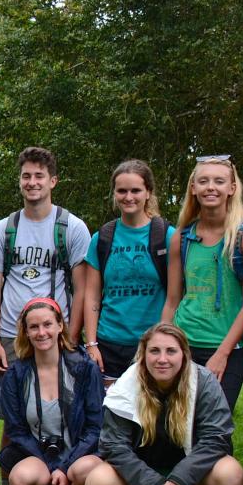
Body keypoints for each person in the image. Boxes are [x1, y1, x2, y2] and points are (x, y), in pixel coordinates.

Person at [85, 323, 243, 485]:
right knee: (97, 482)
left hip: (193, 478)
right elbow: (113, 445)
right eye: (154, 351)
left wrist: (180, 478)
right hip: (141, 479)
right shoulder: (126, 385)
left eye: (171, 351)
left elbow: (216, 437)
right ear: (143, 354)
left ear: (184, 354)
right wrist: (151, 481)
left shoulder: (205, 382)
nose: (162, 359)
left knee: (231, 475)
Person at [165, 155, 243, 410]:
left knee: (214, 424)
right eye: (204, 181)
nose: (211, 187)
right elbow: (173, 299)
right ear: (193, 188)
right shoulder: (182, 237)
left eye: (219, 181)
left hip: (227, 346)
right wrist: (161, 342)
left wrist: (222, 354)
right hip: (183, 343)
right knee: (176, 421)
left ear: (231, 188)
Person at [0, 147, 91, 373]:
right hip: (12, 335)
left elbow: (82, 290)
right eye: (26, 176)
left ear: (53, 181)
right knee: (10, 405)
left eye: (39, 176)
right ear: (19, 181)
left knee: (58, 403)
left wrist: (73, 337)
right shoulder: (2, 230)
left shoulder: (73, 227)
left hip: (56, 334)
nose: (32, 182)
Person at [0, 297, 104, 485]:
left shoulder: (85, 368)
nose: (41, 332)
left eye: (47, 324)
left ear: (59, 326)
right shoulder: (16, 375)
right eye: (34, 327)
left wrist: (64, 467)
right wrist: (50, 465)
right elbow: (16, 430)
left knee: (84, 472)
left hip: (79, 452)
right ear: (26, 332)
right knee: (21, 479)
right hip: (38, 453)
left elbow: (95, 427)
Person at [83, 160, 170, 383]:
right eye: (122, 191)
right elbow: (91, 295)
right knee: (110, 413)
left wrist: (166, 340)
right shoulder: (101, 238)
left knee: (152, 413)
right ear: (114, 193)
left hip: (153, 343)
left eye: (136, 190)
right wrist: (91, 344)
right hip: (109, 343)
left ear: (148, 192)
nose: (128, 197)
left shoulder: (167, 236)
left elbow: (176, 294)